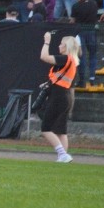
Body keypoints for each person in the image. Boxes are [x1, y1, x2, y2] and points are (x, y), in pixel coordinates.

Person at [38, 32, 79, 163]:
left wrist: (47, 41)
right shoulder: (72, 62)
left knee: (46, 129)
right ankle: (63, 157)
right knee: (61, 131)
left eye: (62, 44)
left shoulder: (66, 59)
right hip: (64, 96)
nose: (59, 46)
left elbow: (44, 57)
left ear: (67, 46)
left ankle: (62, 154)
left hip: (58, 96)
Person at [70, 0, 99, 86]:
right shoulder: (94, 4)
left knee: (81, 56)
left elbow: (72, 21)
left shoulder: (75, 6)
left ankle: (82, 80)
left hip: (80, 32)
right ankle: (92, 77)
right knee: (93, 55)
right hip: (91, 31)